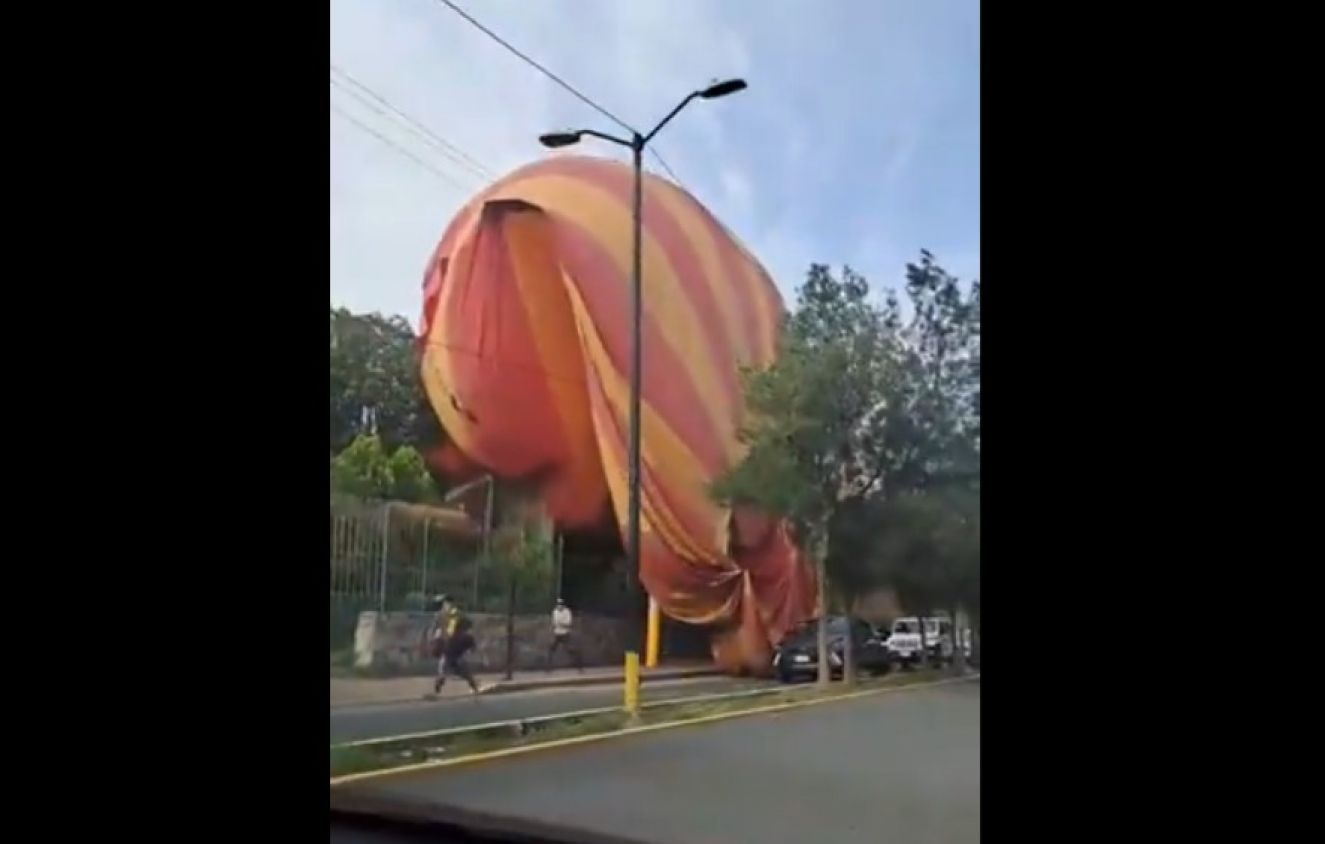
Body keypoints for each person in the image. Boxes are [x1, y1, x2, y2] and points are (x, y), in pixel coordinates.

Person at [436, 614, 482, 695]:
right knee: (467, 675)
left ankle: (437, 690)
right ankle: (475, 690)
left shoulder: (453, 635)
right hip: (456, 658)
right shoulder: (466, 636)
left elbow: (444, 644)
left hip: (449, 657)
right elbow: (473, 648)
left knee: (444, 674)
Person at [427, 594, 459, 695]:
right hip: (445, 638)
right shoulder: (451, 613)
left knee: (444, 658)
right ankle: (442, 676)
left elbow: (434, 626)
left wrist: (431, 636)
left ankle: (442, 675)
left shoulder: (440, 614)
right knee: (445, 658)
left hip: (440, 637)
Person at [547, 597, 583, 671]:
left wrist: (561, 623)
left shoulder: (567, 612)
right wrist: (555, 626)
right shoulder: (555, 611)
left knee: (570, 649)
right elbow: (554, 622)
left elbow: (568, 623)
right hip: (557, 633)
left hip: (565, 633)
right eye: (558, 604)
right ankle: (549, 668)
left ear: (563, 605)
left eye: (560, 604)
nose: (559, 606)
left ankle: (579, 666)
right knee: (551, 649)